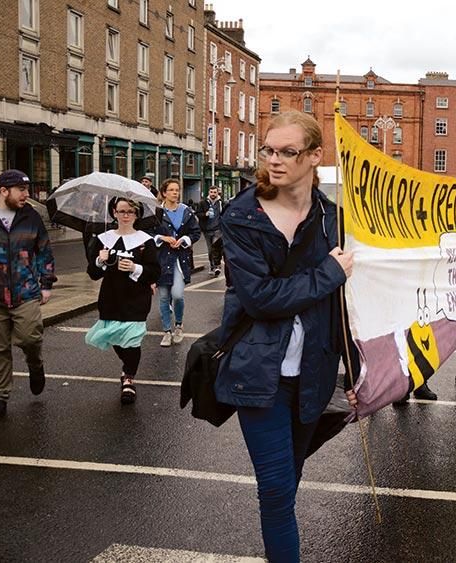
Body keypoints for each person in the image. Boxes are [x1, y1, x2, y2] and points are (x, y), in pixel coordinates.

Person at [215, 111, 353, 562]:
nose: (274, 161)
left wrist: (356, 369)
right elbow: (259, 299)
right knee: (274, 491)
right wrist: (329, 272)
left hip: (314, 370)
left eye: (287, 152)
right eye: (269, 150)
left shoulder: (334, 219)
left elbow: (345, 305)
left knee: (288, 482)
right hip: (259, 373)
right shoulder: (242, 216)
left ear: (314, 156)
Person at [0, 169, 56, 422]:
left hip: (26, 292)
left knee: (31, 336)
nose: (26, 194)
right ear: (4, 191)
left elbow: (44, 251)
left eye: (27, 189)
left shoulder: (31, 216)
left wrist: (46, 284)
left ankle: (35, 363)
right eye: (21, 190)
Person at [85, 198, 161, 404]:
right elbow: (92, 274)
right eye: (121, 211)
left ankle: (128, 377)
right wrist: (100, 261)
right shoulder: (103, 239)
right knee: (116, 339)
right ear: (114, 213)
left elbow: (155, 272)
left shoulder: (146, 241)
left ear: (137, 215)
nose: (126, 215)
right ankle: (127, 370)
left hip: (137, 298)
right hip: (110, 297)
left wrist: (135, 268)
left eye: (130, 211)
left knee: (132, 340)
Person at [154, 178, 201, 347]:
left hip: (180, 260)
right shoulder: (157, 212)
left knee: (178, 295)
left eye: (177, 190)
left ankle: (179, 325)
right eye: (172, 190)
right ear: (164, 193)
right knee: (164, 297)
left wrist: (185, 239)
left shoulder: (186, 211)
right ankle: (167, 331)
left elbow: (196, 232)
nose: (175, 193)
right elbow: (148, 234)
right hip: (162, 259)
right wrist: (162, 238)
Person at [196, 186, 226, 278]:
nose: (213, 194)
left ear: (218, 193)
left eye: (215, 192)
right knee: (210, 250)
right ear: (209, 193)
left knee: (217, 249)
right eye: (211, 192)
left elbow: (225, 214)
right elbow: (198, 214)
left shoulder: (221, 203)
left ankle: (217, 266)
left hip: (218, 230)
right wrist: (205, 214)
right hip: (207, 230)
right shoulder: (203, 203)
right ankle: (212, 265)